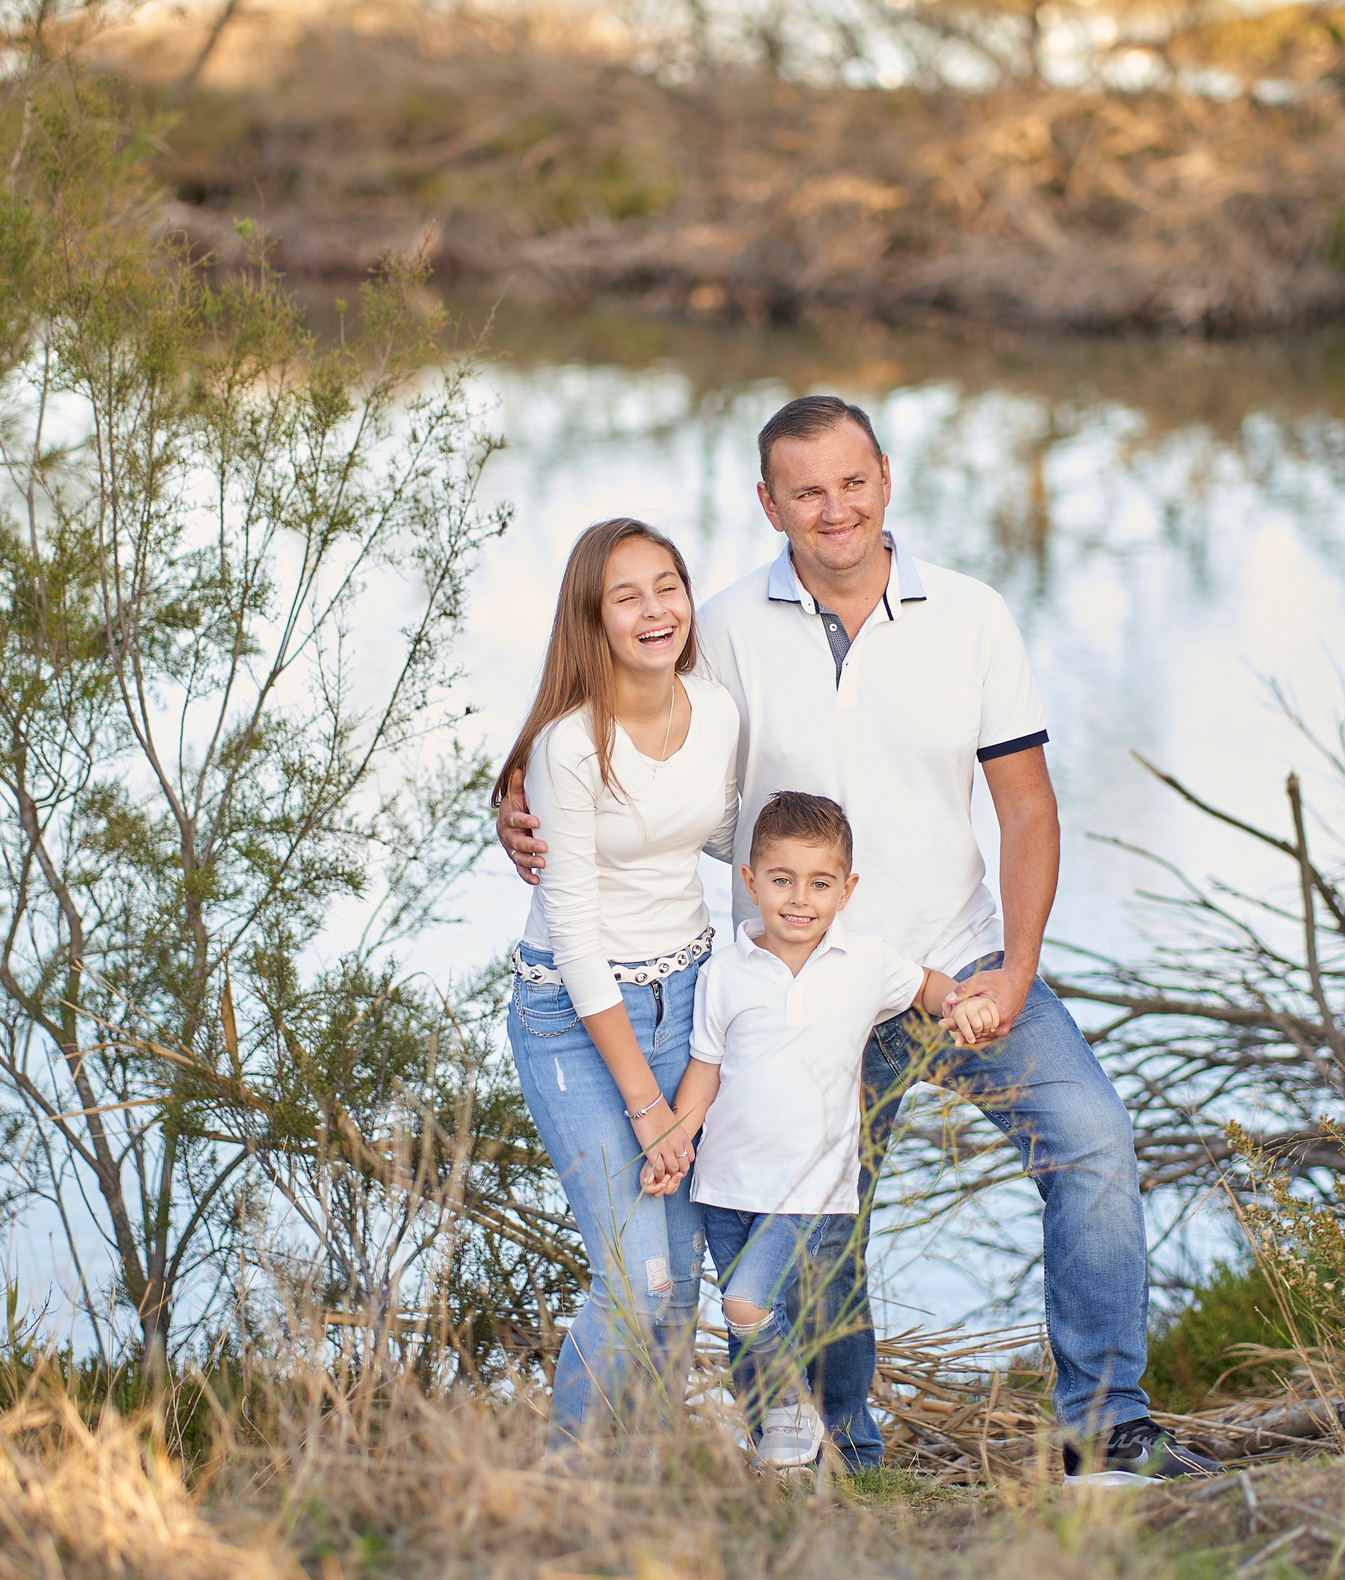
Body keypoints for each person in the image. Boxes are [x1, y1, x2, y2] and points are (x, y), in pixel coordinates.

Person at [502, 397, 1222, 1484]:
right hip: (798, 990)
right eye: (805, 491)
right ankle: (842, 1450)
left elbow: (1027, 809)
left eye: (851, 482)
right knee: (818, 1234)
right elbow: (612, 726)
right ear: (768, 504)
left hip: (960, 968)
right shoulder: (724, 625)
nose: (833, 509)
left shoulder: (970, 616)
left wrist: (1017, 967)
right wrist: (519, 809)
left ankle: (1104, 1429)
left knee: (1093, 1148)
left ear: (885, 477)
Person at [661, 791, 999, 1469]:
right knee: (744, 1324)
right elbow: (705, 1069)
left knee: (747, 1303)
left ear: (847, 889)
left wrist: (969, 1003)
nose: (799, 899)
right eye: (781, 880)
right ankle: (784, 1460)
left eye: (819, 884)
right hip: (725, 1183)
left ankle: (801, 1432)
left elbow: (930, 986)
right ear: (751, 881)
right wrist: (674, 1139)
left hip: (809, 1186)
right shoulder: (723, 972)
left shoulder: (865, 960)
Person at [500, 516, 737, 1451]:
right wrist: (652, 1108)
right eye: (626, 594)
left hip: (685, 995)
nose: (655, 610)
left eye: (668, 585)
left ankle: (638, 1488)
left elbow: (713, 833)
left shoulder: (714, 710)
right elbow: (577, 932)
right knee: (636, 1275)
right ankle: (566, 1491)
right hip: (573, 1011)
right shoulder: (568, 746)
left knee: (677, 1276)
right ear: (592, 618)